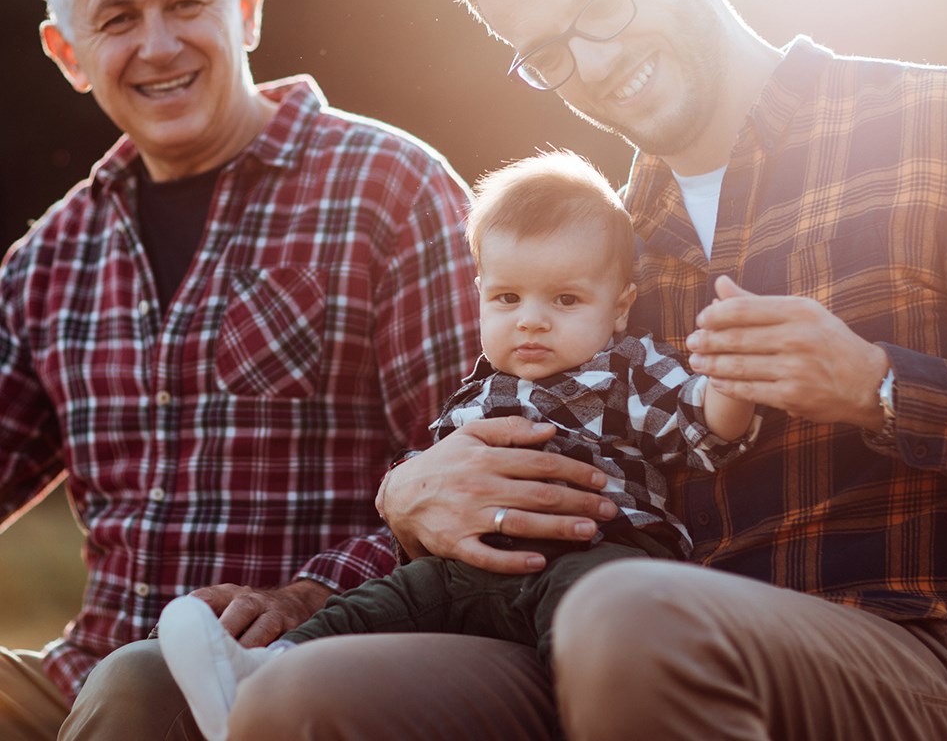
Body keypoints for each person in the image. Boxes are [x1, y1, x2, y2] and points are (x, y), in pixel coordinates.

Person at [220, 0, 947, 741]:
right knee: (298, 699)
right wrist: (406, 498)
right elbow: (539, 476)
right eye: (546, 51)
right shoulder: (599, 252)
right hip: (605, 644)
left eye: (601, 3)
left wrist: (881, 387)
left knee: (630, 614)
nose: (589, 65)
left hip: (924, 654)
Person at [0, 0, 480, 741]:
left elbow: (468, 462)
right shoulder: (50, 258)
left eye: (187, 3)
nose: (157, 44)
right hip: (89, 675)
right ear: (68, 53)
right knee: (120, 680)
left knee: (141, 687)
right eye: (116, 19)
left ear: (246, 7)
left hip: (302, 662)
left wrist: (313, 592)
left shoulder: (389, 189)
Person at [154, 149, 758, 741]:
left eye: (565, 299)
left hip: (595, 554)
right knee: (377, 603)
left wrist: (731, 381)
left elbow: (702, 424)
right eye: (507, 298)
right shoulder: (476, 392)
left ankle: (597, 712)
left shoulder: (626, 370)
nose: (531, 320)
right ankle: (261, 675)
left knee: (589, 627)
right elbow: (434, 494)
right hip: (468, 569)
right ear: (480, 295)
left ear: (620, 307)